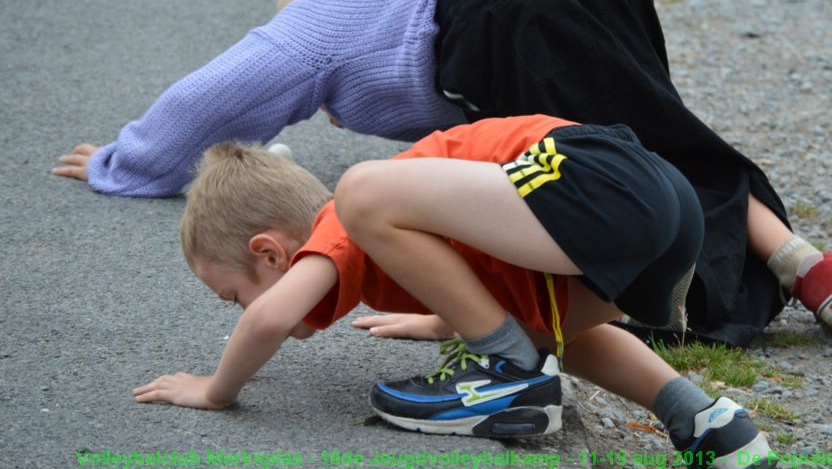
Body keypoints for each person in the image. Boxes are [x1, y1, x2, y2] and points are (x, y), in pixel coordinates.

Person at [54, 0, 832, 345]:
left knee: (609, 183)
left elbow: (219, 92)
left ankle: (648, 309)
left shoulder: (322, 15)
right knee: (648, 137)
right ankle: (809, 264)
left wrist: (129, 163)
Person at [133, 115, 781, 467]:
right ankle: (708, 422)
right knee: (542, 327)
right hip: (658, 220)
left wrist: (215, 389)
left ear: (271, 252)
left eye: (231, 296)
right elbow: (485, 267)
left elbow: (272, 317)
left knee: (363, 186)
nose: (241, 310)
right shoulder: (402, 249)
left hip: (599, 175)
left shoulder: (344, 222)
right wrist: (448, 318)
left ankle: (504, 366)